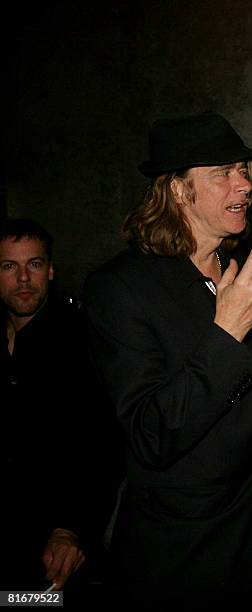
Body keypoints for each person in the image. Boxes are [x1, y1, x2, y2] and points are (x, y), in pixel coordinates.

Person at [83, 111, 252, 610]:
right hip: (182, 560)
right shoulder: (121, 288)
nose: (243, 184)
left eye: (244, 170)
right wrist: (228, 331)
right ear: (177, 190)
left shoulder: (242, 277)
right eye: (222, 172)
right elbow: (152, 434)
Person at [0, 218, 102, 592]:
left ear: (51, 270)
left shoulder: (80, 342)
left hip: (54, 555)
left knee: (30, 604)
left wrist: (70, 527)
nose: (23, 278)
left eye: (35, 264)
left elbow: (100, 446)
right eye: (10, 266)